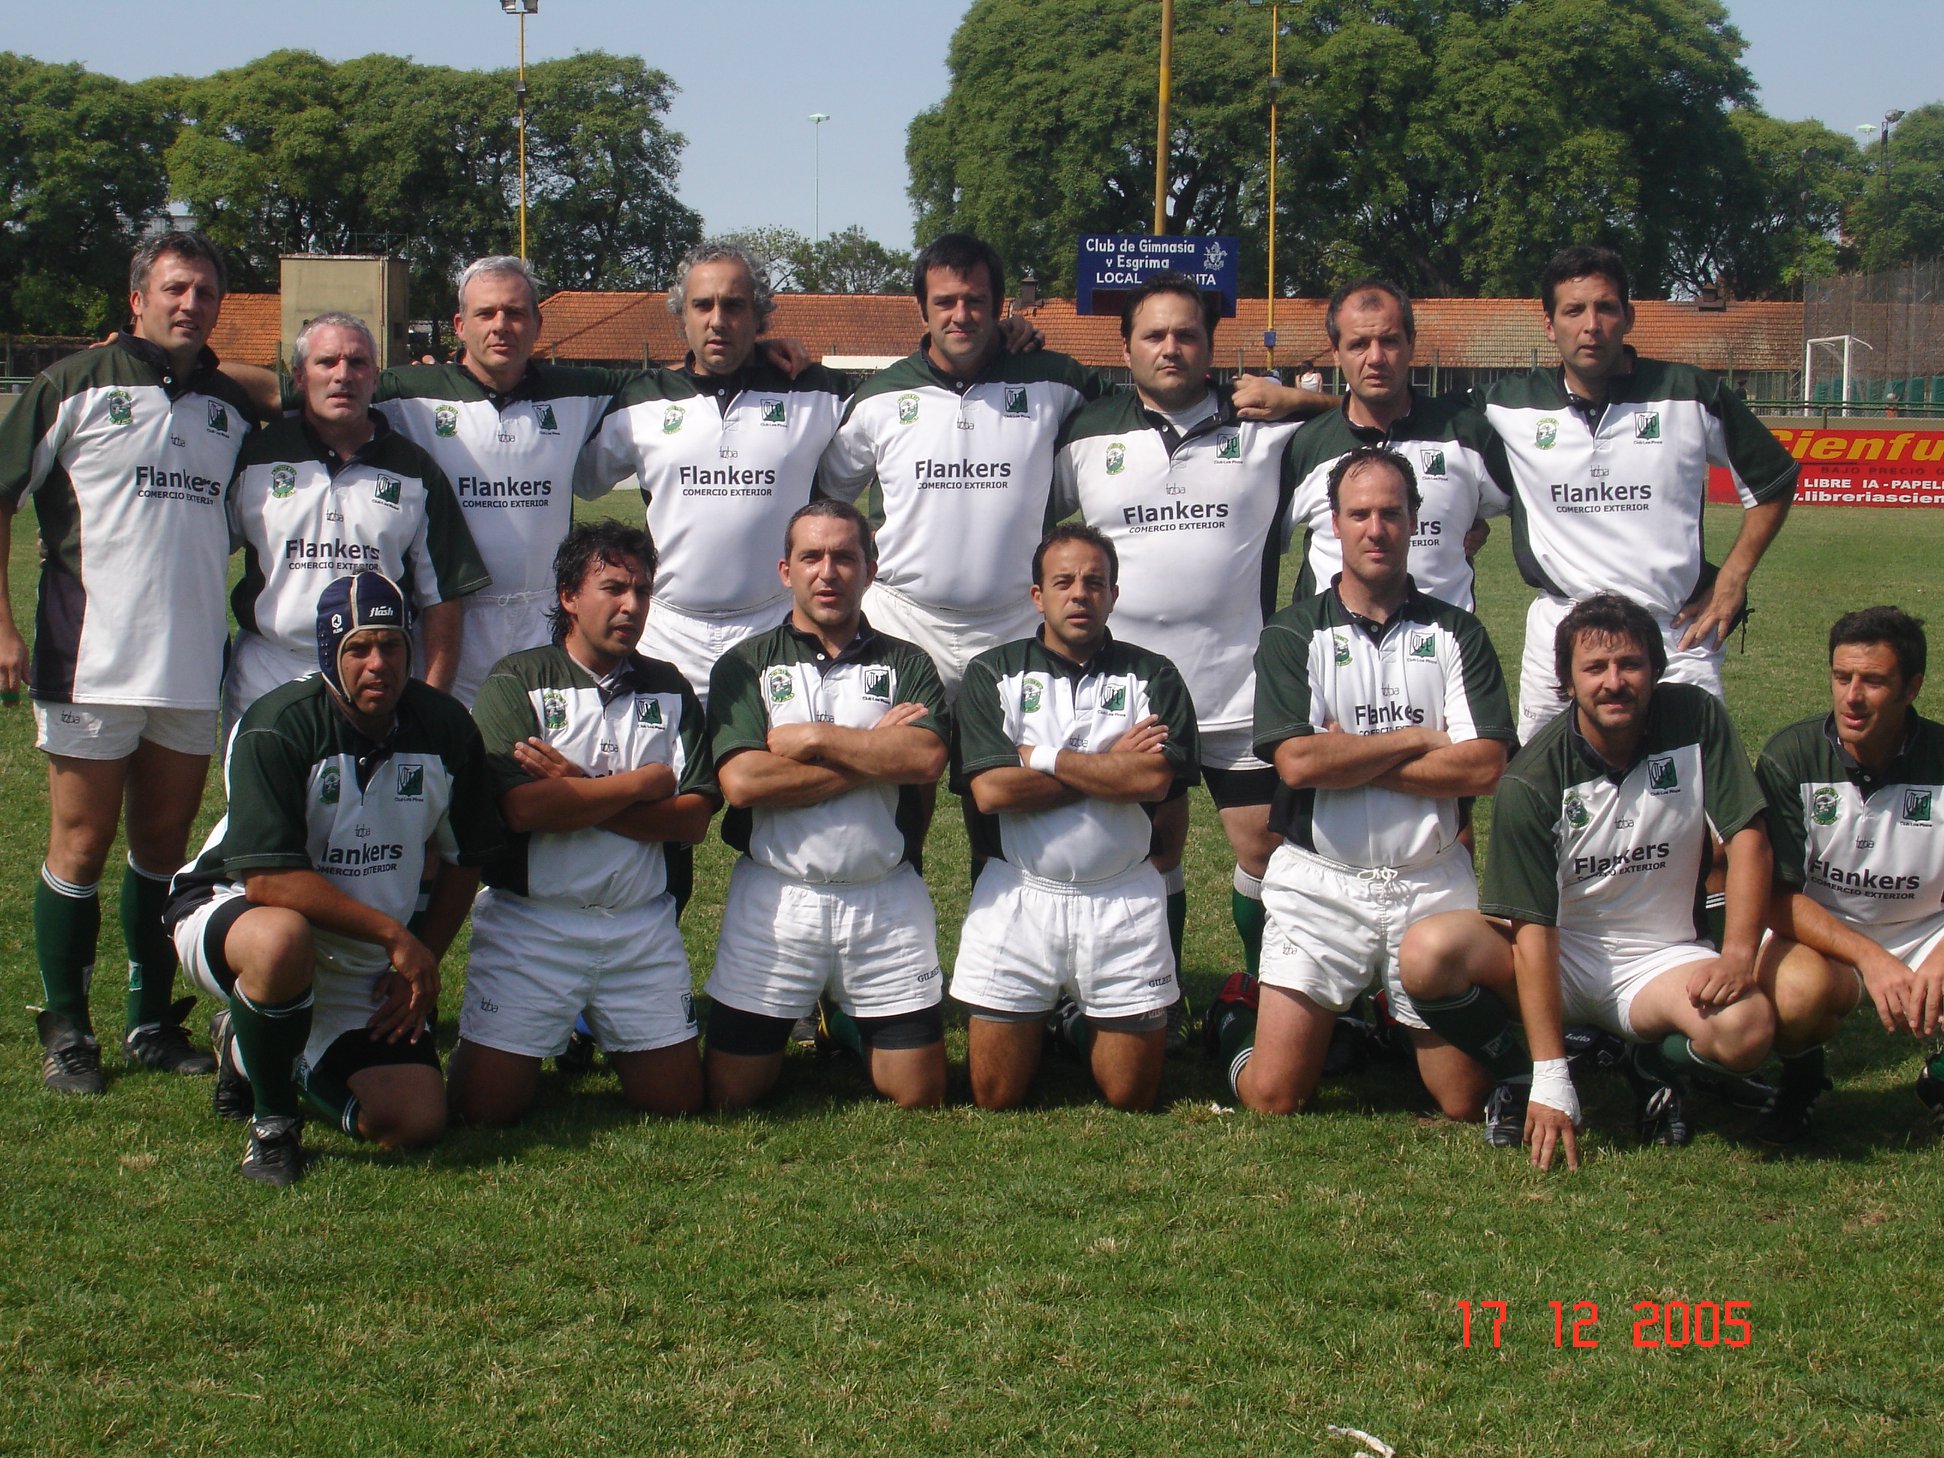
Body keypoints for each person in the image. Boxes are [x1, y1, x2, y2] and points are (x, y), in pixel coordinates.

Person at [0, 231, 259, 1092]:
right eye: (176, 288)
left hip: (189, 664)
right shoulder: (70, 386)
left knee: (161, 849)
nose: (191, 304)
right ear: (136, 296)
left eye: (207, 292)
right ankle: (65, 1027)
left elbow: (290, 387)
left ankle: (152, 1020)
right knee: (79, 844)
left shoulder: (230, 407)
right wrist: (0, 627)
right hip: (89, 659)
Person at [1399, 593, 1777, 1170]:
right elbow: (1533, 927)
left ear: (1656, 669)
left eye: (1629, 664)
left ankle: (1655, 1063)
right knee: (1427, 954)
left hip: (1663, 958)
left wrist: (1738, 955)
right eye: (1594, 668)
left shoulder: (1696, 718)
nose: (1614, 682)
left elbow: (1748, 838)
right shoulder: (1532, 780)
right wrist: (1551, 1080)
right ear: (1567, 684)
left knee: (1747, 1030)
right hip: (1561, 957)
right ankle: (1522, 1070)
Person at [1205, 448, 1514, 1117]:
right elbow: (1297, 764)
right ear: (1335, 526)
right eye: (1360, 514)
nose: (1377, 528)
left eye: (1392, 513)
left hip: (1430, 882)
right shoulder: (1293, 633)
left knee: (1465, 1099)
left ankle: (1386, 1012)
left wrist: (1349, 749)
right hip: (1322, 883)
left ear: (1414, 522)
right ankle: (1234, 1014)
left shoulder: (1458, 632)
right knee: (1274, 1097)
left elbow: (1487, 765)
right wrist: (1416, 739)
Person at [165, 574, 502, 1183]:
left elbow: (463, 858)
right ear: (329, 654)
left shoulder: (447, 728)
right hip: (234, 908)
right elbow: (271, 883)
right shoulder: (278, 725)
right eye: (358, 649)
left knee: (415, 1121)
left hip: (360, 952)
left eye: (393, 646)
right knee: (281, 940)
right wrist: (398, 939)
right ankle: (273, 1127)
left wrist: (421, 959)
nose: (379, 664)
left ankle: (247, 1049)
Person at [1052, 271, 1303, 1037]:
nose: (1171, 347)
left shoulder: (1266, 428)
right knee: (1152, 846)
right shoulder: (1088, 434)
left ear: (1210, 343)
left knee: (1263, 846)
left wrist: (1303, 400)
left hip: (1239, 684)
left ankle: (1270, 998)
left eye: (1187, 333)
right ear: (1126, 347)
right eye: (1154, 334)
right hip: (1130, 692)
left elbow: (1366, 427)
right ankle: (1154, 995)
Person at [449, 523, 718, 1124]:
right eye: (613, 588)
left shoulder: (669, 686)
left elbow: (693, 819)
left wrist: (578, 788)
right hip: (533, 928)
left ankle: (588, 1027)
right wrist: (642, 785)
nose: (631, 606)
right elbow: (522, 810)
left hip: (640, 930)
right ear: (569, 595)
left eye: (643, 591)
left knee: (677, 1103)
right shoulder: (517, 679)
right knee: (481, 1111)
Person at [1477, 245, 1799, 738]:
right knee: (1550, 794)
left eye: (1605, 307)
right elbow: (1425, 434)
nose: (1591, 324)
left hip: (1673, 630)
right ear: (1549, 324)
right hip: (1561, 629)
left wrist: (1733, 577)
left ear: (1628, 316)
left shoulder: (1688, 393)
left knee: (1691, 788)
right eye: (1574, 310)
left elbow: (1773, 478)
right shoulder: (1508, 404)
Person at [702, 500, 950, 1110]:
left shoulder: (908, 662)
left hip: (884, 895)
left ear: (870, 568)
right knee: (733, 1094)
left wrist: (814, 741)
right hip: (778, 896)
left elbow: (923, 761)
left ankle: (844, 1021)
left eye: (845, 556)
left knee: (918, 1094)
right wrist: (871, 754)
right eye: (811, 556)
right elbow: (742, 782)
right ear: (786, 570)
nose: (828, 571)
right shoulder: (745, 664)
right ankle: (824, 1008)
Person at [951, 524, 1200, 1111]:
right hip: (1019, 893)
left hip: (1123, 894)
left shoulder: (1154, 674)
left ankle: (1073, 1020)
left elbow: (1153, 778)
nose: (1079, 594)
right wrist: (1108, 768)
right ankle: (1054, 1013)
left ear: (1114, 594)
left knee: (1131, 1095)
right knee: (994, 1095)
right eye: (1062, 582)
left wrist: (1039, 758)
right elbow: (990, 790)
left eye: (1095, 582)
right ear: (1037, 595)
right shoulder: (992, 673)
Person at [816, 232, 1106, 704]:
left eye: (975, 300)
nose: (961, 315)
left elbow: (1140, 414)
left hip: (1016, 618)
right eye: (945, 301)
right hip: (903, 618)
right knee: (904, 766)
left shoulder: (1055, 379)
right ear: (922, 309)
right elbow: (826, 497)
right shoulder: (881, 397)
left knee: (1012, 773)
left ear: (999, 306)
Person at [574, 242, 851, 711]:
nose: (717, 319)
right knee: (667, 780)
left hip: (775, 626)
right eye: (702, 305)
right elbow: (583, 479)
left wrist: (1011, 342)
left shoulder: (815, 392)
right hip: (665, 631)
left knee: (773, 777)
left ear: (759, 315)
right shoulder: (643, 399)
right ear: (682, 315)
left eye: (734, 305)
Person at [223, 311, 489, 725]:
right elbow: (202, 550)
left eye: (358, 363)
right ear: (298, 377)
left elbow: (444, 601)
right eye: (326, 362)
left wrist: (429, 703)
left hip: (376, 673)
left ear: (374, 376)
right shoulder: (257, 454)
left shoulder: (414, 468)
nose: (342, 375)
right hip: (269, 668)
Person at [1749, 606, 1944, 1141]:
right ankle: (1803, 1078)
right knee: (1791, 995)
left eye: (1874, 681)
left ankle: (1940, 1078)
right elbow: (1774, 895)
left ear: (1912, 688)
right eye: (1842, 677)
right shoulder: (1792, 755)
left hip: (1929, 935)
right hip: (1829, 940)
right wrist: (1871, 959)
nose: (1852, 696)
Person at [1283, 278, 1509, 611]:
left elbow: (1526, 508)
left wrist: (1469, 521)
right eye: (1359, 344)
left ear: (1411, 344)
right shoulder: (1306, 445)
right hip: (1334, 653)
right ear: (1335, 352)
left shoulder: (1466, 432)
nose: (1375, 358)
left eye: (1388, 341)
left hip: (1440, 650)